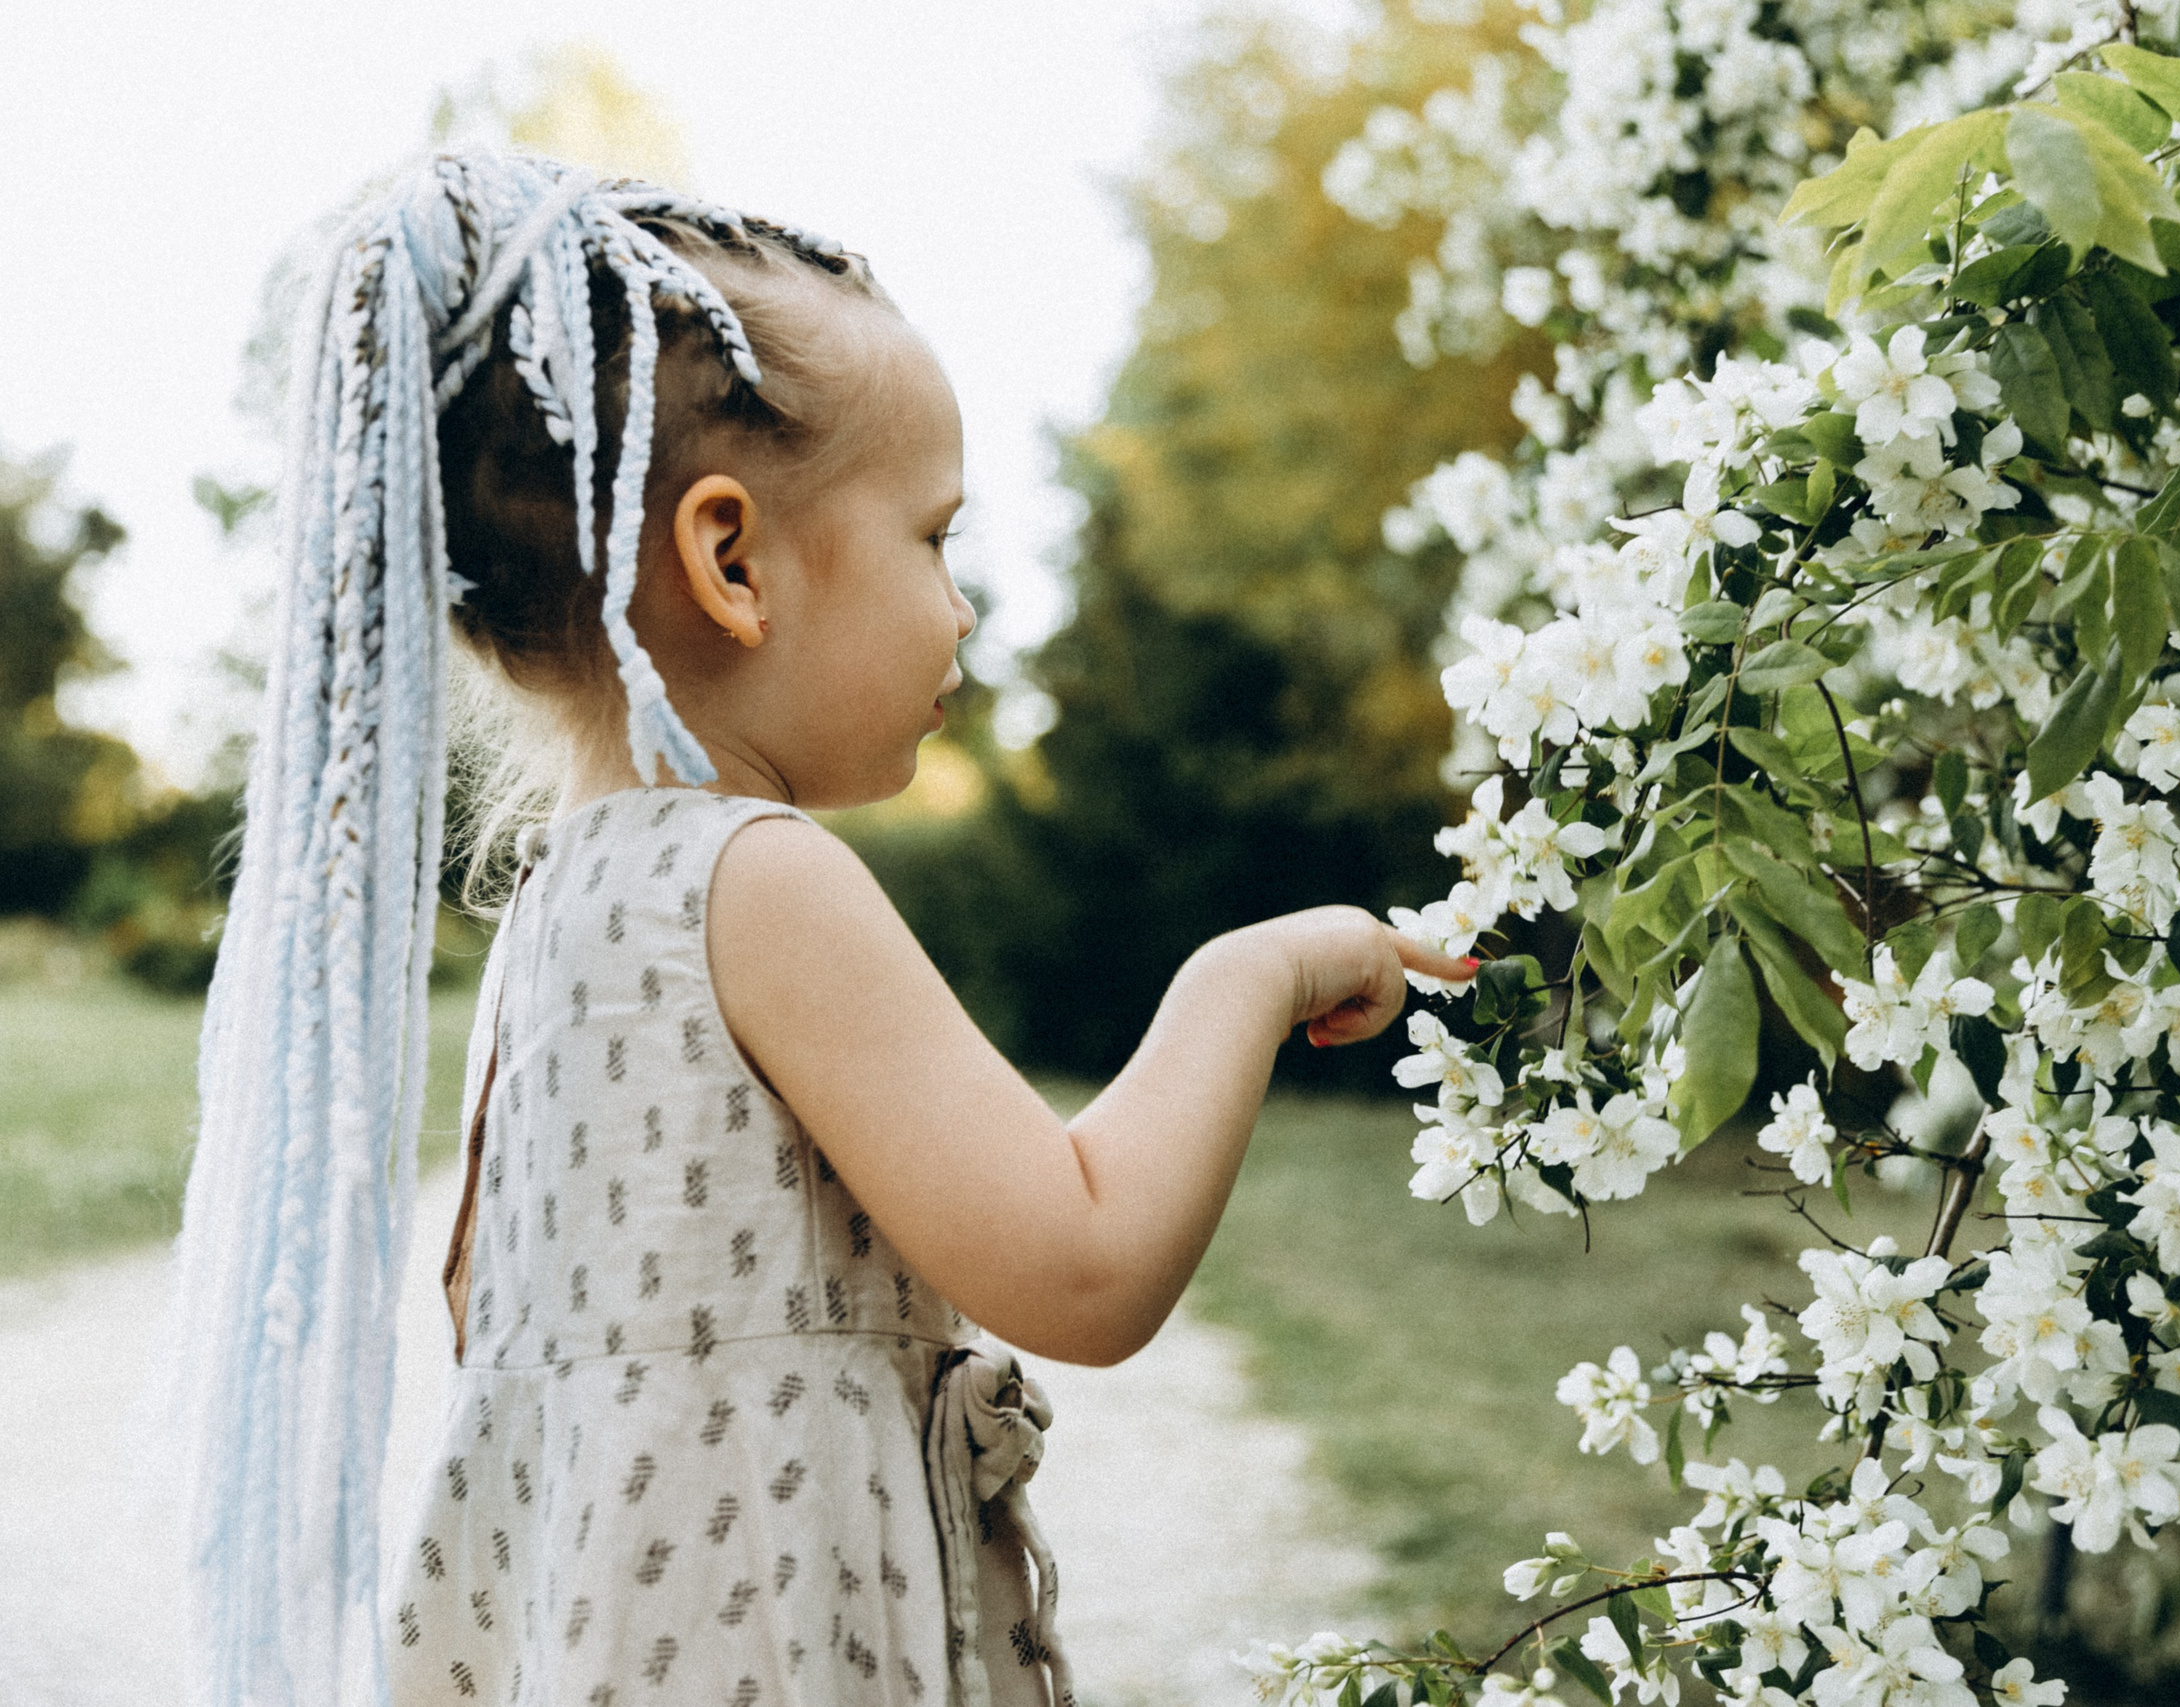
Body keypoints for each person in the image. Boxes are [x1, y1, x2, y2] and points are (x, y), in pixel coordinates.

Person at [167, 151, 1473, 1707]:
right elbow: (1085, 1265)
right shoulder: (757, 879)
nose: (966, 607)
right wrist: (1248, 975)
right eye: (936, 539)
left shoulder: (558, 918)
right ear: (733, 564)